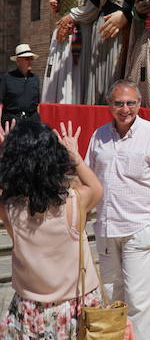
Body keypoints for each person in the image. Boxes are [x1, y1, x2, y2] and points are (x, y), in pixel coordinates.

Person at [85, 79, 150, 340]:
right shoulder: (99, 136)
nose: (125, 109)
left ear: (140, 104)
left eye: (130, 103)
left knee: (140, 301)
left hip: (139, 230)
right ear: (109, 105)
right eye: (119, 103)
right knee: (109, 296)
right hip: (106, 229)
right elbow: (89, 182)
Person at [0, 119, 104, 339]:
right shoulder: (75, 202)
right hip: (77, 307)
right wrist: (74, 157)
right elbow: (96, 188)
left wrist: (5, 154)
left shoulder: (9, 209)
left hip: (30, 310)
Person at [0, 44, 41, 127]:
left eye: (31, 58)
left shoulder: (35, 79)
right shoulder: (7, 78)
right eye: (27, 58)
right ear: (18, 61)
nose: (30, 61)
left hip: (32, 122)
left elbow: (37, 105)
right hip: (11, 122)